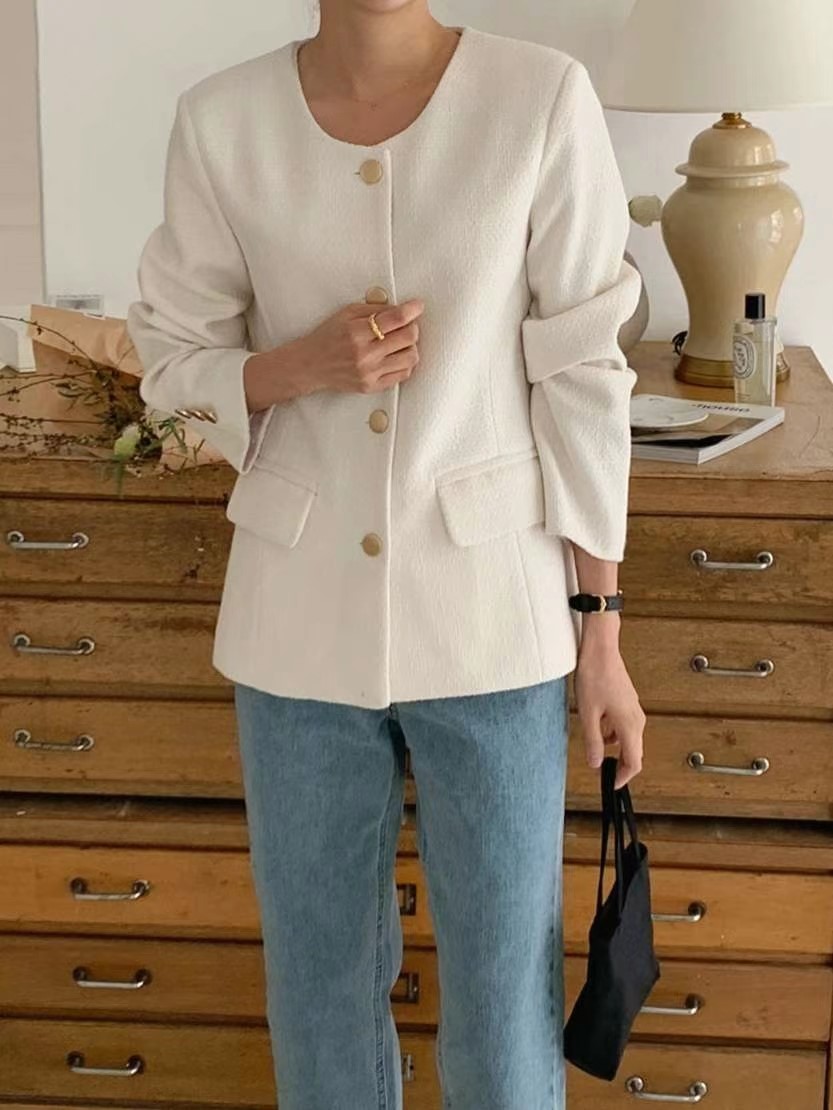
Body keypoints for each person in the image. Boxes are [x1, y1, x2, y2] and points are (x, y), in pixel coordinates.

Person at [126, 3, 647, 1108]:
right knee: (315, 999)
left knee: (503, 1009)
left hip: (493, 623)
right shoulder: (222, 120)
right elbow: (169, 371)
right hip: (295, 630)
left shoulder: (538, 97)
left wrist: (600, 636)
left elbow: (582, 374)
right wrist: (297, 365)